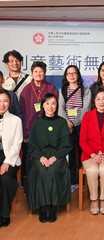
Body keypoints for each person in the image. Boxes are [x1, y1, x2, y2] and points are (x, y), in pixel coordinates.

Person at [27, 93, 71, 223]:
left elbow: (66, 145)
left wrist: (54, 157)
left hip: (57, 155)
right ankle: (42, 207)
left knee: (52, 171)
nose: (50, 107)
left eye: (53, 103)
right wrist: (41, 157)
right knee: (41, 171)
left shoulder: (62, 122)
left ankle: (53, 207)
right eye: (47, 103)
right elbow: (32, 145)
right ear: (42, 106)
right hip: (40, 155)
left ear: (57, 105)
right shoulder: (37, 122)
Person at [19, 61, 58, 192]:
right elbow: (22, 114)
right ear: (32, 73)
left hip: (49, 132)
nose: (38, 74)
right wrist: (25, 133)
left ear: (45, 73)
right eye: (36, 71)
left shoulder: (51, 89)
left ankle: (47, 186)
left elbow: (56, 110)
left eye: (41, 71)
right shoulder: (25, 91)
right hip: (30, 132)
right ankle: (28, 185)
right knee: (29, 158)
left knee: (48, 158)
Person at [58, 65, 91, 192]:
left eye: (74, 73)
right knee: (71, 155)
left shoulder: (85, 90)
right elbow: (60, 108)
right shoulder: (62, 90)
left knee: (83, 153)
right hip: (67, 127)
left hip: (82, 126)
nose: (72, 76)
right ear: (66, 77)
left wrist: (74, 122)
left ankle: (85, 181)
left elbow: (86, 109)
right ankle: (72, 181)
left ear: (78, 75)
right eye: (69, 73)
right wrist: (68, 123)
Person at [0, 89, 23, 228]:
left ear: (10, 103)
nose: (2, 104)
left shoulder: (16, 120)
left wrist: (6, 162)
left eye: (5, 101)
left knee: (5, 178)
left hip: (10, 158)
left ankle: (4, 214)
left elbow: (17, 144)